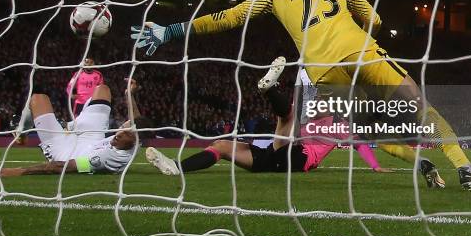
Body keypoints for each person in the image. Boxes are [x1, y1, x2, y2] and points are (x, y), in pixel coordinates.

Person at [133, 0, 471, 191]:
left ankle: (408, 155)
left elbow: (228, 18)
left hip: (323, 73)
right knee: (422, 111)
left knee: (352, 126)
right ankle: (464, 167)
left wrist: (173, 31)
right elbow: (374, 21)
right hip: (360, 53)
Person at [146, 58, 391, 176]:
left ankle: (269, 88)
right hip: (274, 156)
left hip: (297, 159)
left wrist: (376, 166)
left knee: (288, 120)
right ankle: (176, 168)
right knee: (221, 146)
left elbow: (360, 145)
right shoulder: (309, 113)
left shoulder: (339, 124)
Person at [0, 81, 138, 177]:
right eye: (124, 128)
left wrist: (21, 171)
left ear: (130, 142)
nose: (120, 131)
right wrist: (129, 94)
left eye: (125, 133)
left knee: (37, 99)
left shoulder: (106, 159)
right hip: (92, 137)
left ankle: (21, 132)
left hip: (66, 152)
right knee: (103, 89)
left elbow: (63, 166)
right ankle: (69, 126)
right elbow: (138, 122)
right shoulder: (134, 138)